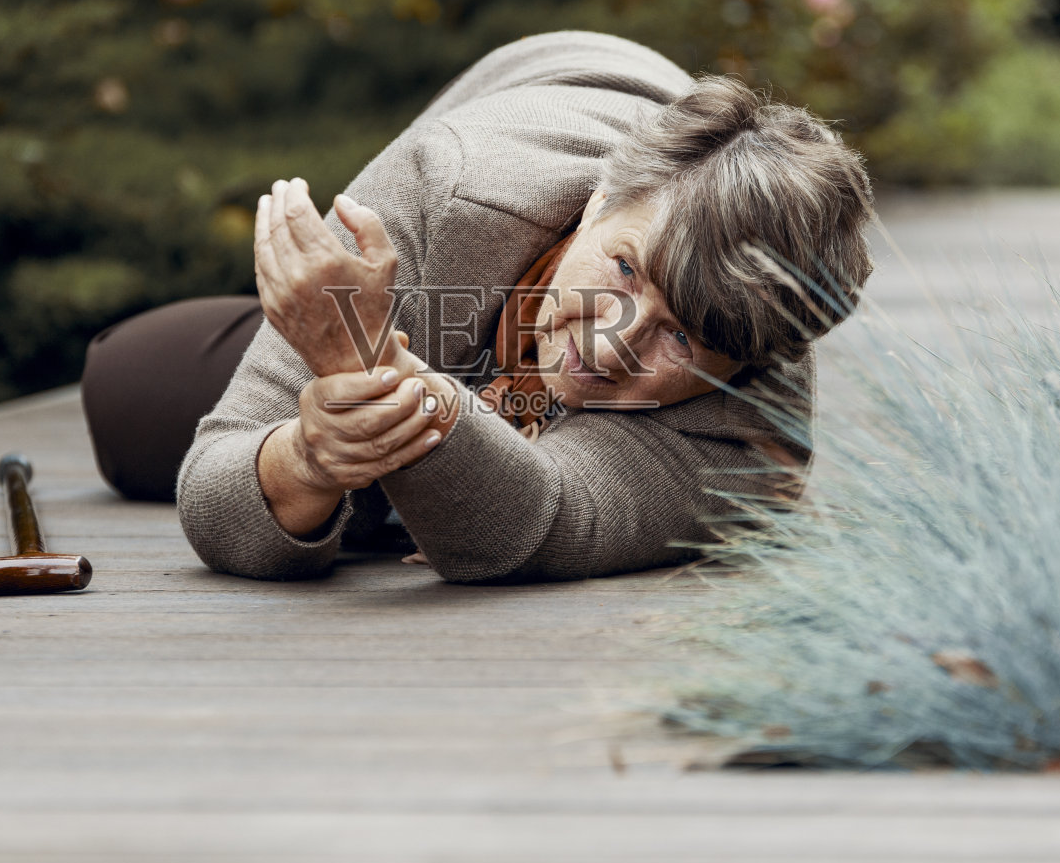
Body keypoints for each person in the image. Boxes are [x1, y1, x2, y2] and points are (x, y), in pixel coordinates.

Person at [81, 30, 874, 583]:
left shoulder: (746, 444)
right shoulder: (450, 186)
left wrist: (364, 360)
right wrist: (309, 455)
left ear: (744, 364)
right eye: (625, 270)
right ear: (599, 203)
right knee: (128, 385)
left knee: (387, 477)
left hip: (446, 346)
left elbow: (523, 527)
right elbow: (214, 500)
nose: (612, 347)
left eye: (683, 338)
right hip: (515, 140)